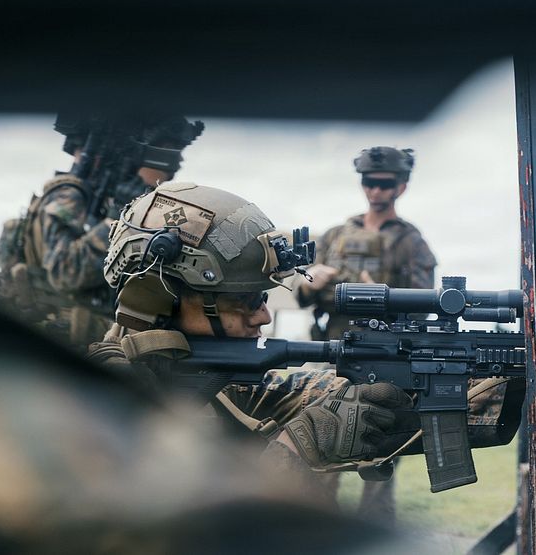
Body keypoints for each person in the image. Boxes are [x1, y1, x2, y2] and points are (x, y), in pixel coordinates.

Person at [87, 181, 416, 485]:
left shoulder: (207, 380)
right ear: (158, 297)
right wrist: (296, 449)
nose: (263, 315)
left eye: (262, 298)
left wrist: (446, 390)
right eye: (245, 301)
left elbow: (302, 392)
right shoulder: (94, 403)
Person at [294, 146, 437, 525]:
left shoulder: (411, 241)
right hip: (335, 351)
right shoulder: (336, 235)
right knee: (324, 433)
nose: (375, 191)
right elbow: (301, 295)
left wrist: (382, 297)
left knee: (381, 443)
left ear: (401, 187)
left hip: (387, 352)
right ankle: (318, 525)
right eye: (369, 182)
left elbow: (425, 303)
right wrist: (315, 280)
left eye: (384, 184)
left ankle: (374, 531)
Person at [0, 114, 203, 350]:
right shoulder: (68, 196)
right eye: (167, 152)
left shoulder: (115, 199)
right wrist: (115, 218)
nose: (176, 165)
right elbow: (65, 273)